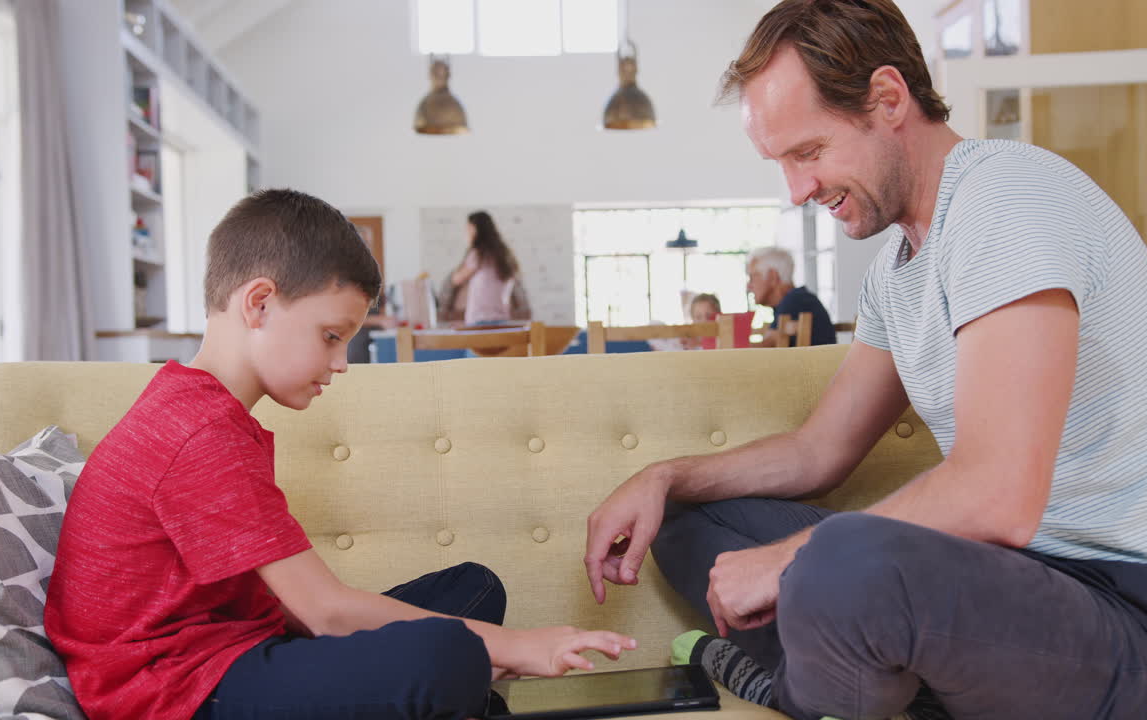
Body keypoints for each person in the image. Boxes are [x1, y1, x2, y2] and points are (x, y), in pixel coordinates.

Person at [582, 1, 1147, 718]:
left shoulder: (1004, 199)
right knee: (691, 521)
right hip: (1040, 589)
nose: (797, 192)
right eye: (782, 164)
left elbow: (998, 494)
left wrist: (788, 562)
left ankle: (811, 685)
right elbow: (816, 452)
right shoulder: (898, 271)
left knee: (839, 563)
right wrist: (665, 477)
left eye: (808, 152)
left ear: (888, 99)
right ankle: (879, 674)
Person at [44, 189, 634, 720]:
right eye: (330, 336)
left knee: (474, 589)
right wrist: (514, 648)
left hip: (243, 644)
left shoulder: (205, 411)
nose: (341, 363)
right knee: (452, 653)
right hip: (178, 689)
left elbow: (294, 609)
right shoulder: (199, 433)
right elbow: (322, 611)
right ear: (260, 304)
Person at [746, 247, 835, 347]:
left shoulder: (796, 301)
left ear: (772, 276)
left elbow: (765, 350)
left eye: (752, 277)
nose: (748, 286)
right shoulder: (796, 298)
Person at [451, 210, 522, 326]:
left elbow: (456, 279)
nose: (466, 233)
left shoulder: (478, 254)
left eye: (468, 229)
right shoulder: (504, 254)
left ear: (474, 229)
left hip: (479, 318)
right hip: (501, 319)